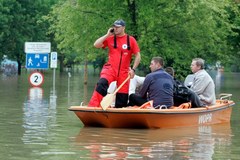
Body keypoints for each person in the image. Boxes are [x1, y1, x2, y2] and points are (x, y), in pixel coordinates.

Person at [88, 19, 141, 108]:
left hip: (124, 72)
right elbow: (96, 45)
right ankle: (94, 106)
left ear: (123, 28)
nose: (115, 29)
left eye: (118, 27)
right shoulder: (110, 38)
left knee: (122, 99)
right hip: (111, 69)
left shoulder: (131, 40)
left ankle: (118, 113)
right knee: (101, 83)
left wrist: (133, 69)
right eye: (114, 27)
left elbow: (138, 56)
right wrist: (107, 34)